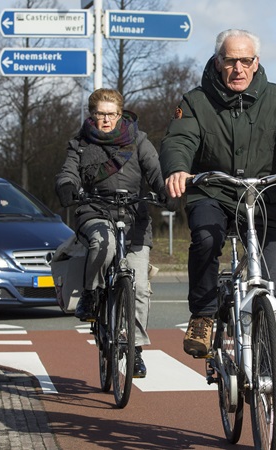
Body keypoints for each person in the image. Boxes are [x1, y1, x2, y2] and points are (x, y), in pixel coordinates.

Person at [159, 29, 276, 420]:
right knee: (205, 237)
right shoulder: (197, 101)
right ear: (218, 62)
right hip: (214, 193)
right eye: (230, 61)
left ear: (256, 62)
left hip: (263, 197)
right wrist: (179, 169)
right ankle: (203, 315)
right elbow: (179, 141)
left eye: (246, 61)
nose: (238, 68)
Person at [55, 88, 165, 379]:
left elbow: (155, 170)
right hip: (95, 211)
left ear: (120, 114)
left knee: (140, 287)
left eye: (111, 114)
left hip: (134, 215)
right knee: (104, 246)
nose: (106, 120)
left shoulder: (138, 140)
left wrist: (165, 189)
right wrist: (67, 186)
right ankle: (91, 294)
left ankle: (136, 350)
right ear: (92, 114)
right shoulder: (79, 143)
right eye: (100, 114)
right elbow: (68, 172)